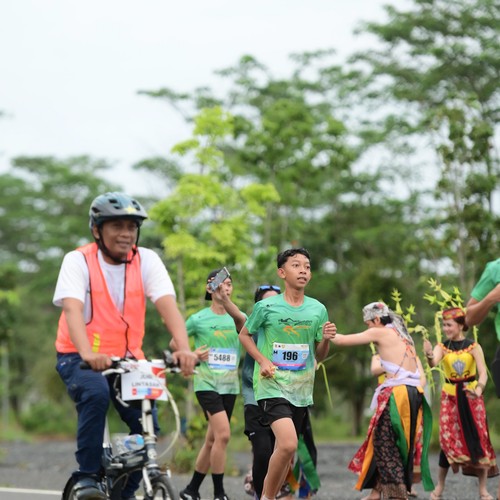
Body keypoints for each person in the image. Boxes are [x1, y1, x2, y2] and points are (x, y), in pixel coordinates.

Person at [53, 192, 197, 500]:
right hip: (78, 356)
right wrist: (88, 353)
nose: (126, 234)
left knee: (147, 425)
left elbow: (167, 305)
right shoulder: (78, 260)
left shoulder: (147, 260)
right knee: (95, 393)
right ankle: (87, 477)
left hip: (128, 359)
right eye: (117, 226)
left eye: (132, 227)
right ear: (97, 230)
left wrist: (183, 349)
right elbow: (73, 310)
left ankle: (124, 492)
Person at [239, 248, 334, 500]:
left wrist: (326, 339)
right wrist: (262, 360)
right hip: (271, 385)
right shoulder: (266, 306)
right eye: (296, 265)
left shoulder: (318, 309)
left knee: (286, 450)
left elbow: (319, 355)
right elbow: (244, 335)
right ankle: (267, 497)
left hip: (301, 389)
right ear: (282, 273)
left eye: (307, 266)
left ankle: (268, 495)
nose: (303, 270)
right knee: (289, 443)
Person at [331, 302, 434, 500]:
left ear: (377, 319)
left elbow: (342, 340)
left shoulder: (380, 332)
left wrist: (322, 330)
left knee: (385, 443)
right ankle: (377, 492)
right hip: (413, 393)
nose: (368, 328)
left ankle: (397, 493)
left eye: (368, 323)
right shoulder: (402, 334)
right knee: (393, 442)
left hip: (398, 394)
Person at [176, 269, 242, 500]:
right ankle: (219, 494)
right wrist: (192, 354)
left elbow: (250, 335)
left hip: (230, 386)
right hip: (206, 383)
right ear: (209, 288)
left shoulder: (238, 317)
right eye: (221, 283)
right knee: (223, 435)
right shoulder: (198, 319)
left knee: (212, 439)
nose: (226, 287)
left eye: (229, 284)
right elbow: (175, 343)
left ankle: (191, 490)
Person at [423, 307, 498, 500]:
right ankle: (440, 486)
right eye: (444, 325)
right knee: (447, 440)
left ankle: (483, 490)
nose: (445, 328)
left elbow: (483, 373)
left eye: (449, 325)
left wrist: (479, 390)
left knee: (479, 439)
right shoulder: (442, 346)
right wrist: (429, 354)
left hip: (472, 397)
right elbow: (433, 363)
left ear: (460, 325)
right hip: (450, 398)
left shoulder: (473, 346)